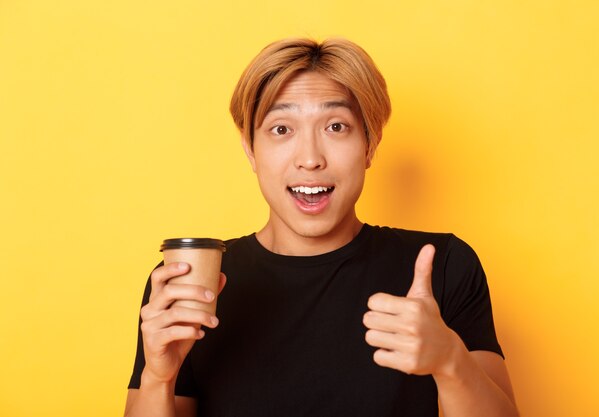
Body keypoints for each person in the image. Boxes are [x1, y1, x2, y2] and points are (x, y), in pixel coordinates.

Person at [124, 38, 519, 417]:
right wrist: (159, 376)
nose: (310, 159)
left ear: (370, 145)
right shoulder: (191, 281)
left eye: (336, 127)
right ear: (250, 149)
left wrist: (451, 362)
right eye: (281, 129)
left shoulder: (444, 266)